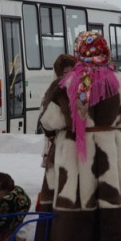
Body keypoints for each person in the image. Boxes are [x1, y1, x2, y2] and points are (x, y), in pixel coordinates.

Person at [37, 31, 121, 241]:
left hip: (76, 151)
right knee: (107, 197)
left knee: (79, 199)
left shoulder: (67, 82)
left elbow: (51, 121)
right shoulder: (118, 81)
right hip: (108, 149)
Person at [36, 54, 75, 213]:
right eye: (66, 72)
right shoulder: (56, 89)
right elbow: (47, 121)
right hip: (59, 145)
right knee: (58, 185)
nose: (70, 75)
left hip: (72, 147)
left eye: (73, 70)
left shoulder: (80, 88)